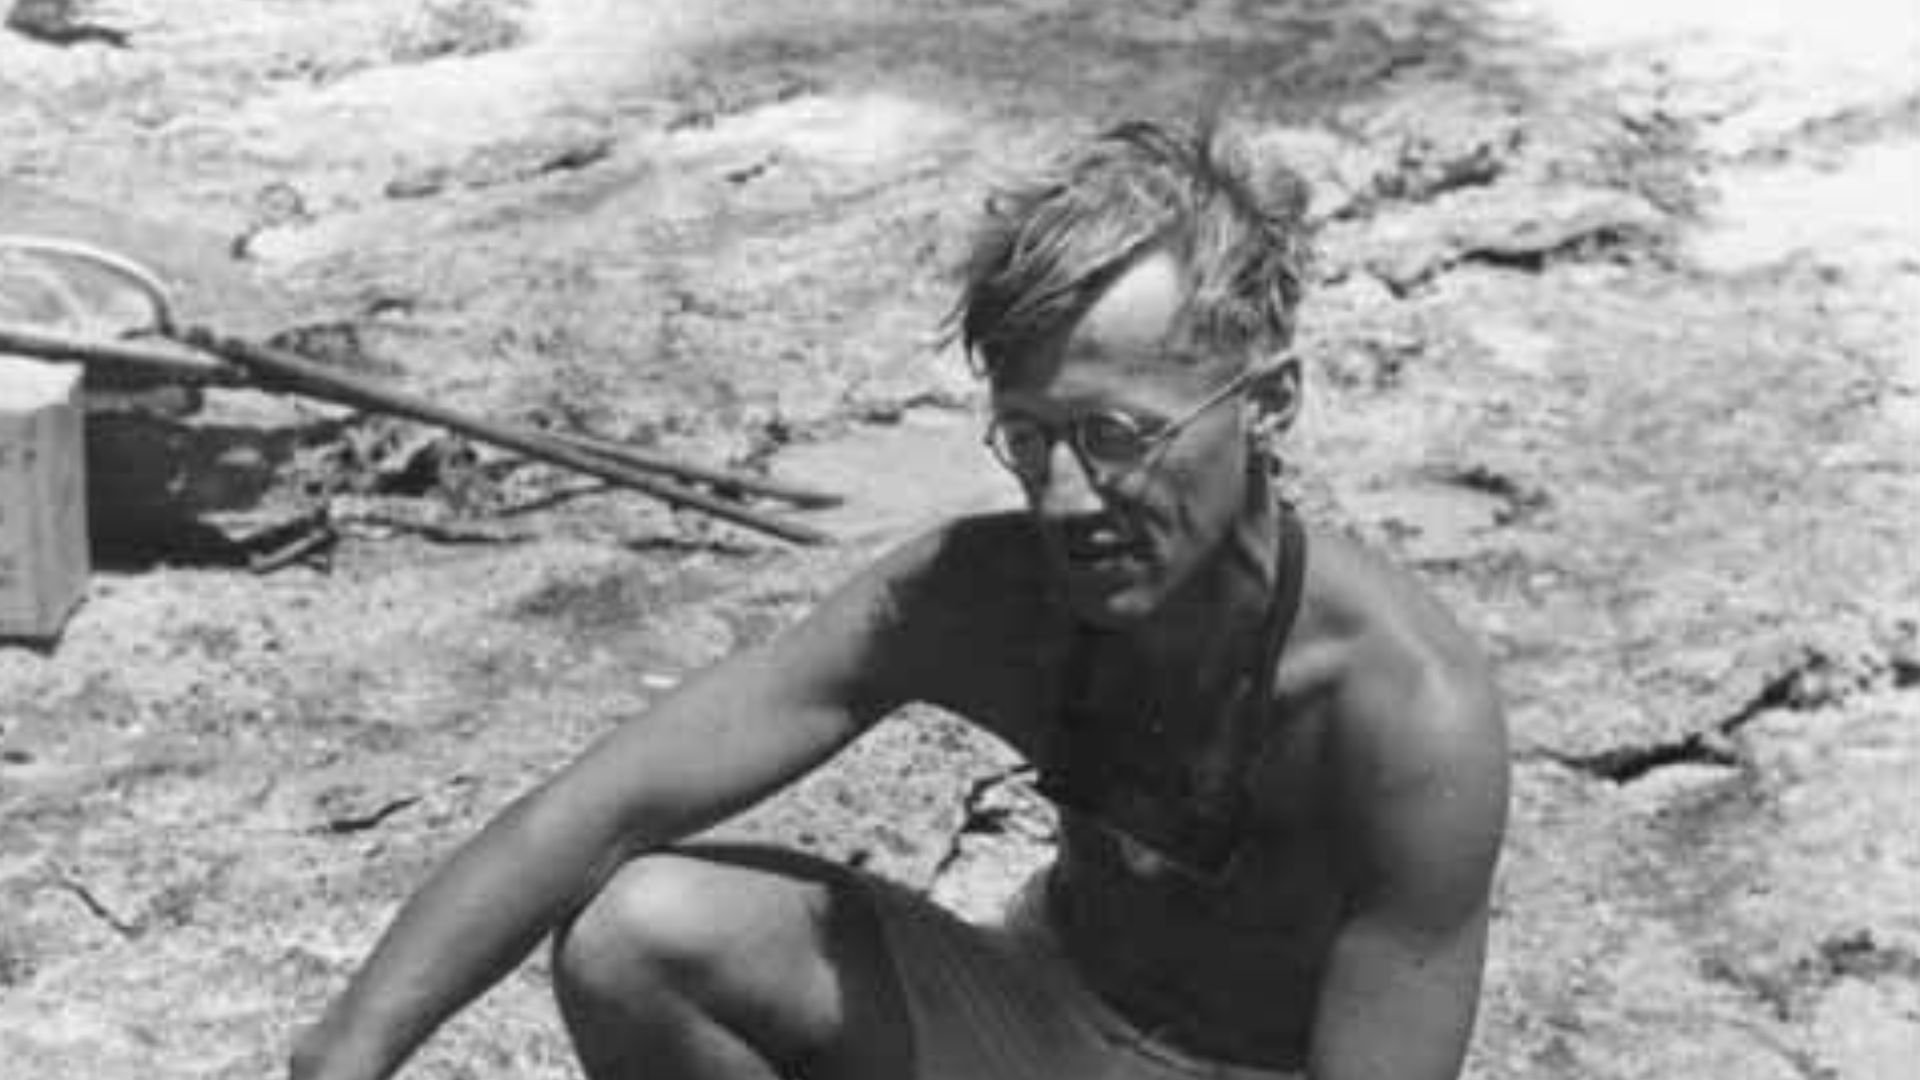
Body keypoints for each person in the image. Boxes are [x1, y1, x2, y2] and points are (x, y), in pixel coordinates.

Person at [290, 119, 1510, 1080]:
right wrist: (342, 1055)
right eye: (1029, 441)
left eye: (1116, 434)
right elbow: (604, 808)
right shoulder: (987, 598)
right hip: (1041, 1012)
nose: (1068, 498)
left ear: (1269, 402)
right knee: (638, 934)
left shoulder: (1405, 715)